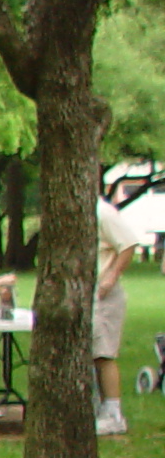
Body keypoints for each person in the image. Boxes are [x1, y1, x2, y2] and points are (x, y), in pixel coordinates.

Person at [95, 186, 138, 436]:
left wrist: (111, 277)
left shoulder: (103, 213)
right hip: (86, 294)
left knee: (103, 353)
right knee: (89, 352)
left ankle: (113, 413)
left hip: (104, 295)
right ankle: (95, 406)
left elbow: (128, 243)